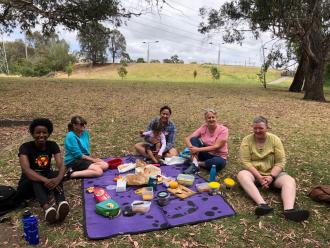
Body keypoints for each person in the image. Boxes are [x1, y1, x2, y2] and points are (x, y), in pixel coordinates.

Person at [237, 116, 309, 222]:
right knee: (242, 175)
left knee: (289, 181)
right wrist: (259, 177)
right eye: (255, 128)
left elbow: (281, 161)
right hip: (255, 174)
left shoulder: (275, 139)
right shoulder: (246, 140)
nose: (257, 130)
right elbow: (246, 162)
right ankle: (263, 205)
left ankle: (289, 210)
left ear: (267, 127)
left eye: (260, 128)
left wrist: (271, 176)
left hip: (274, 174)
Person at [16, 118, 69, 224]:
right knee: (35, 177)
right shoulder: (25, 147)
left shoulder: (52, 145)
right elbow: (26, 170)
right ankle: (47, 209)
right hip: (28, 185)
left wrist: (58, 178)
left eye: (44, 132)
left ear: (48, 133)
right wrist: (44, 180)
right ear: (32, 134)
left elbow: (61, 164)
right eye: (38, 133)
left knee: (55, 174)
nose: (41, 135)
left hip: (45, 183)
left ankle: (61, 203)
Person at [184, 108, 228, 174]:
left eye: (213, 117)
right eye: (209, 118)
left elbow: (216, 146)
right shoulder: (204, 127)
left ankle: (196, 163)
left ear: (216, 118)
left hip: (218, 156)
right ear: (206, 120)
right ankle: (195, 163)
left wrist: (197, 150)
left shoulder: (223, 130)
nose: (211, 119)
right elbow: (187, 138)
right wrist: (192, 148)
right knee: (194, 139)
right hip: (205, 153)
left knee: (218, 163)